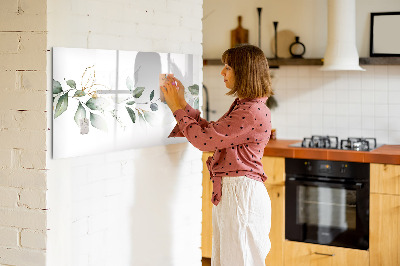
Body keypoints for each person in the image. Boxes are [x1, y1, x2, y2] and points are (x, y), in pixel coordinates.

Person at [161, 44, 273, 266]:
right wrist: (182, 103)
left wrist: (176, 108)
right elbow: (212, 133)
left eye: (228, 67)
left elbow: (204, 141)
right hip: (236, 193)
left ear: (244, 72)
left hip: (241, 195)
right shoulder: (246, 106)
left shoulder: (250, 111)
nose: (222, 72)